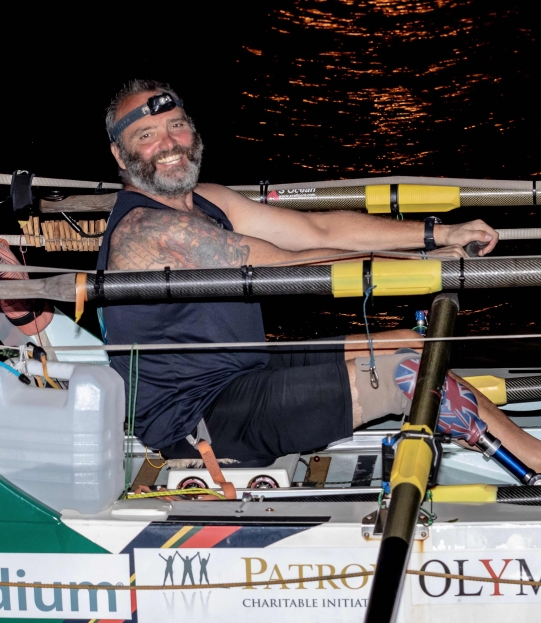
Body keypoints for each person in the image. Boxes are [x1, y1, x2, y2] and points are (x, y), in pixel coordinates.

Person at [96, 79, 501, 468]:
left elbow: (318, 230)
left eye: (176, 126)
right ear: (120, 155)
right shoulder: (148, 228)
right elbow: (287, 264)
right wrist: (424, 266)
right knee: (405, 373)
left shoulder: (209, 199)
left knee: (409, 343)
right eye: (146, 135)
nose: (168, 143)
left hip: (243, 367)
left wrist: (436, 234)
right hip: (197, 417)